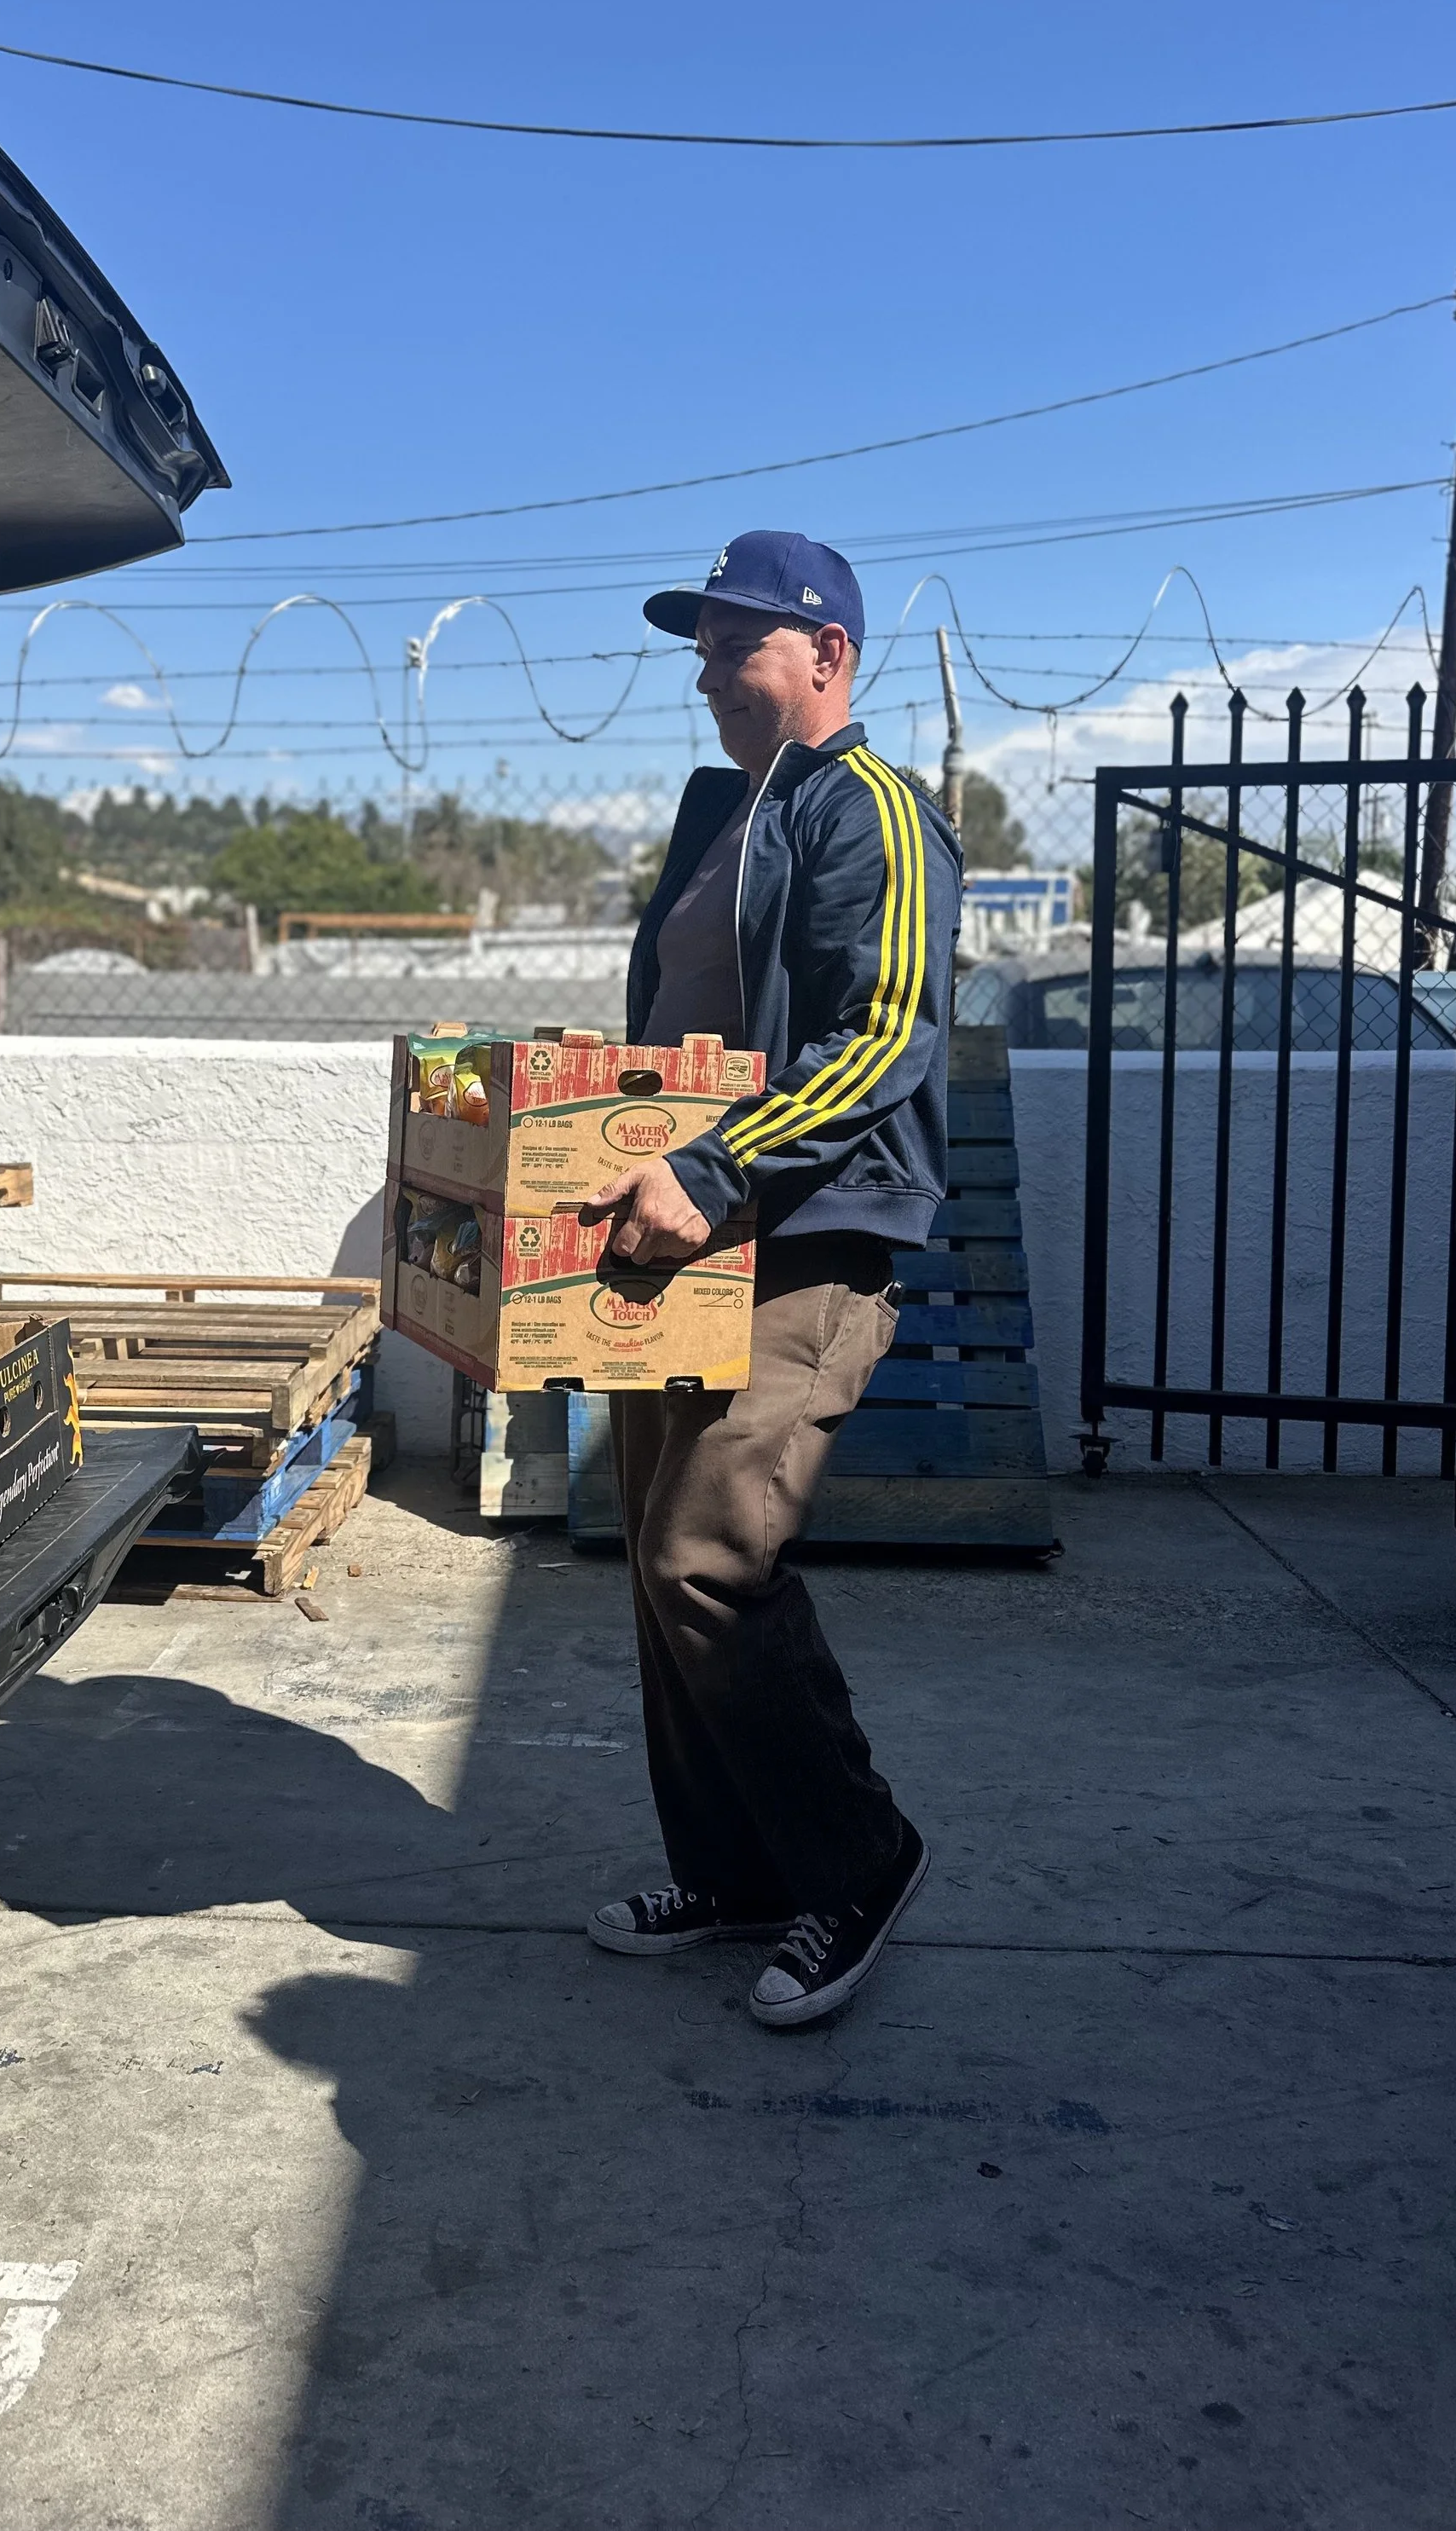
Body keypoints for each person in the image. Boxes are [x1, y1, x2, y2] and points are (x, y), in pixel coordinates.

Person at [578, 529, 961, 2031]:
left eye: (735, 640)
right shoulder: (728, 816)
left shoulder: (874, 809)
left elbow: (883, 1033)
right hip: (688, 1240)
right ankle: (737, 1870)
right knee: (656, 1574)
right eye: (700, 642)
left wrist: (717, 1174)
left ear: (827, 655)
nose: (706, 667)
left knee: (710, 1559)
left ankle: (859, 1862)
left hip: (805, 1239)